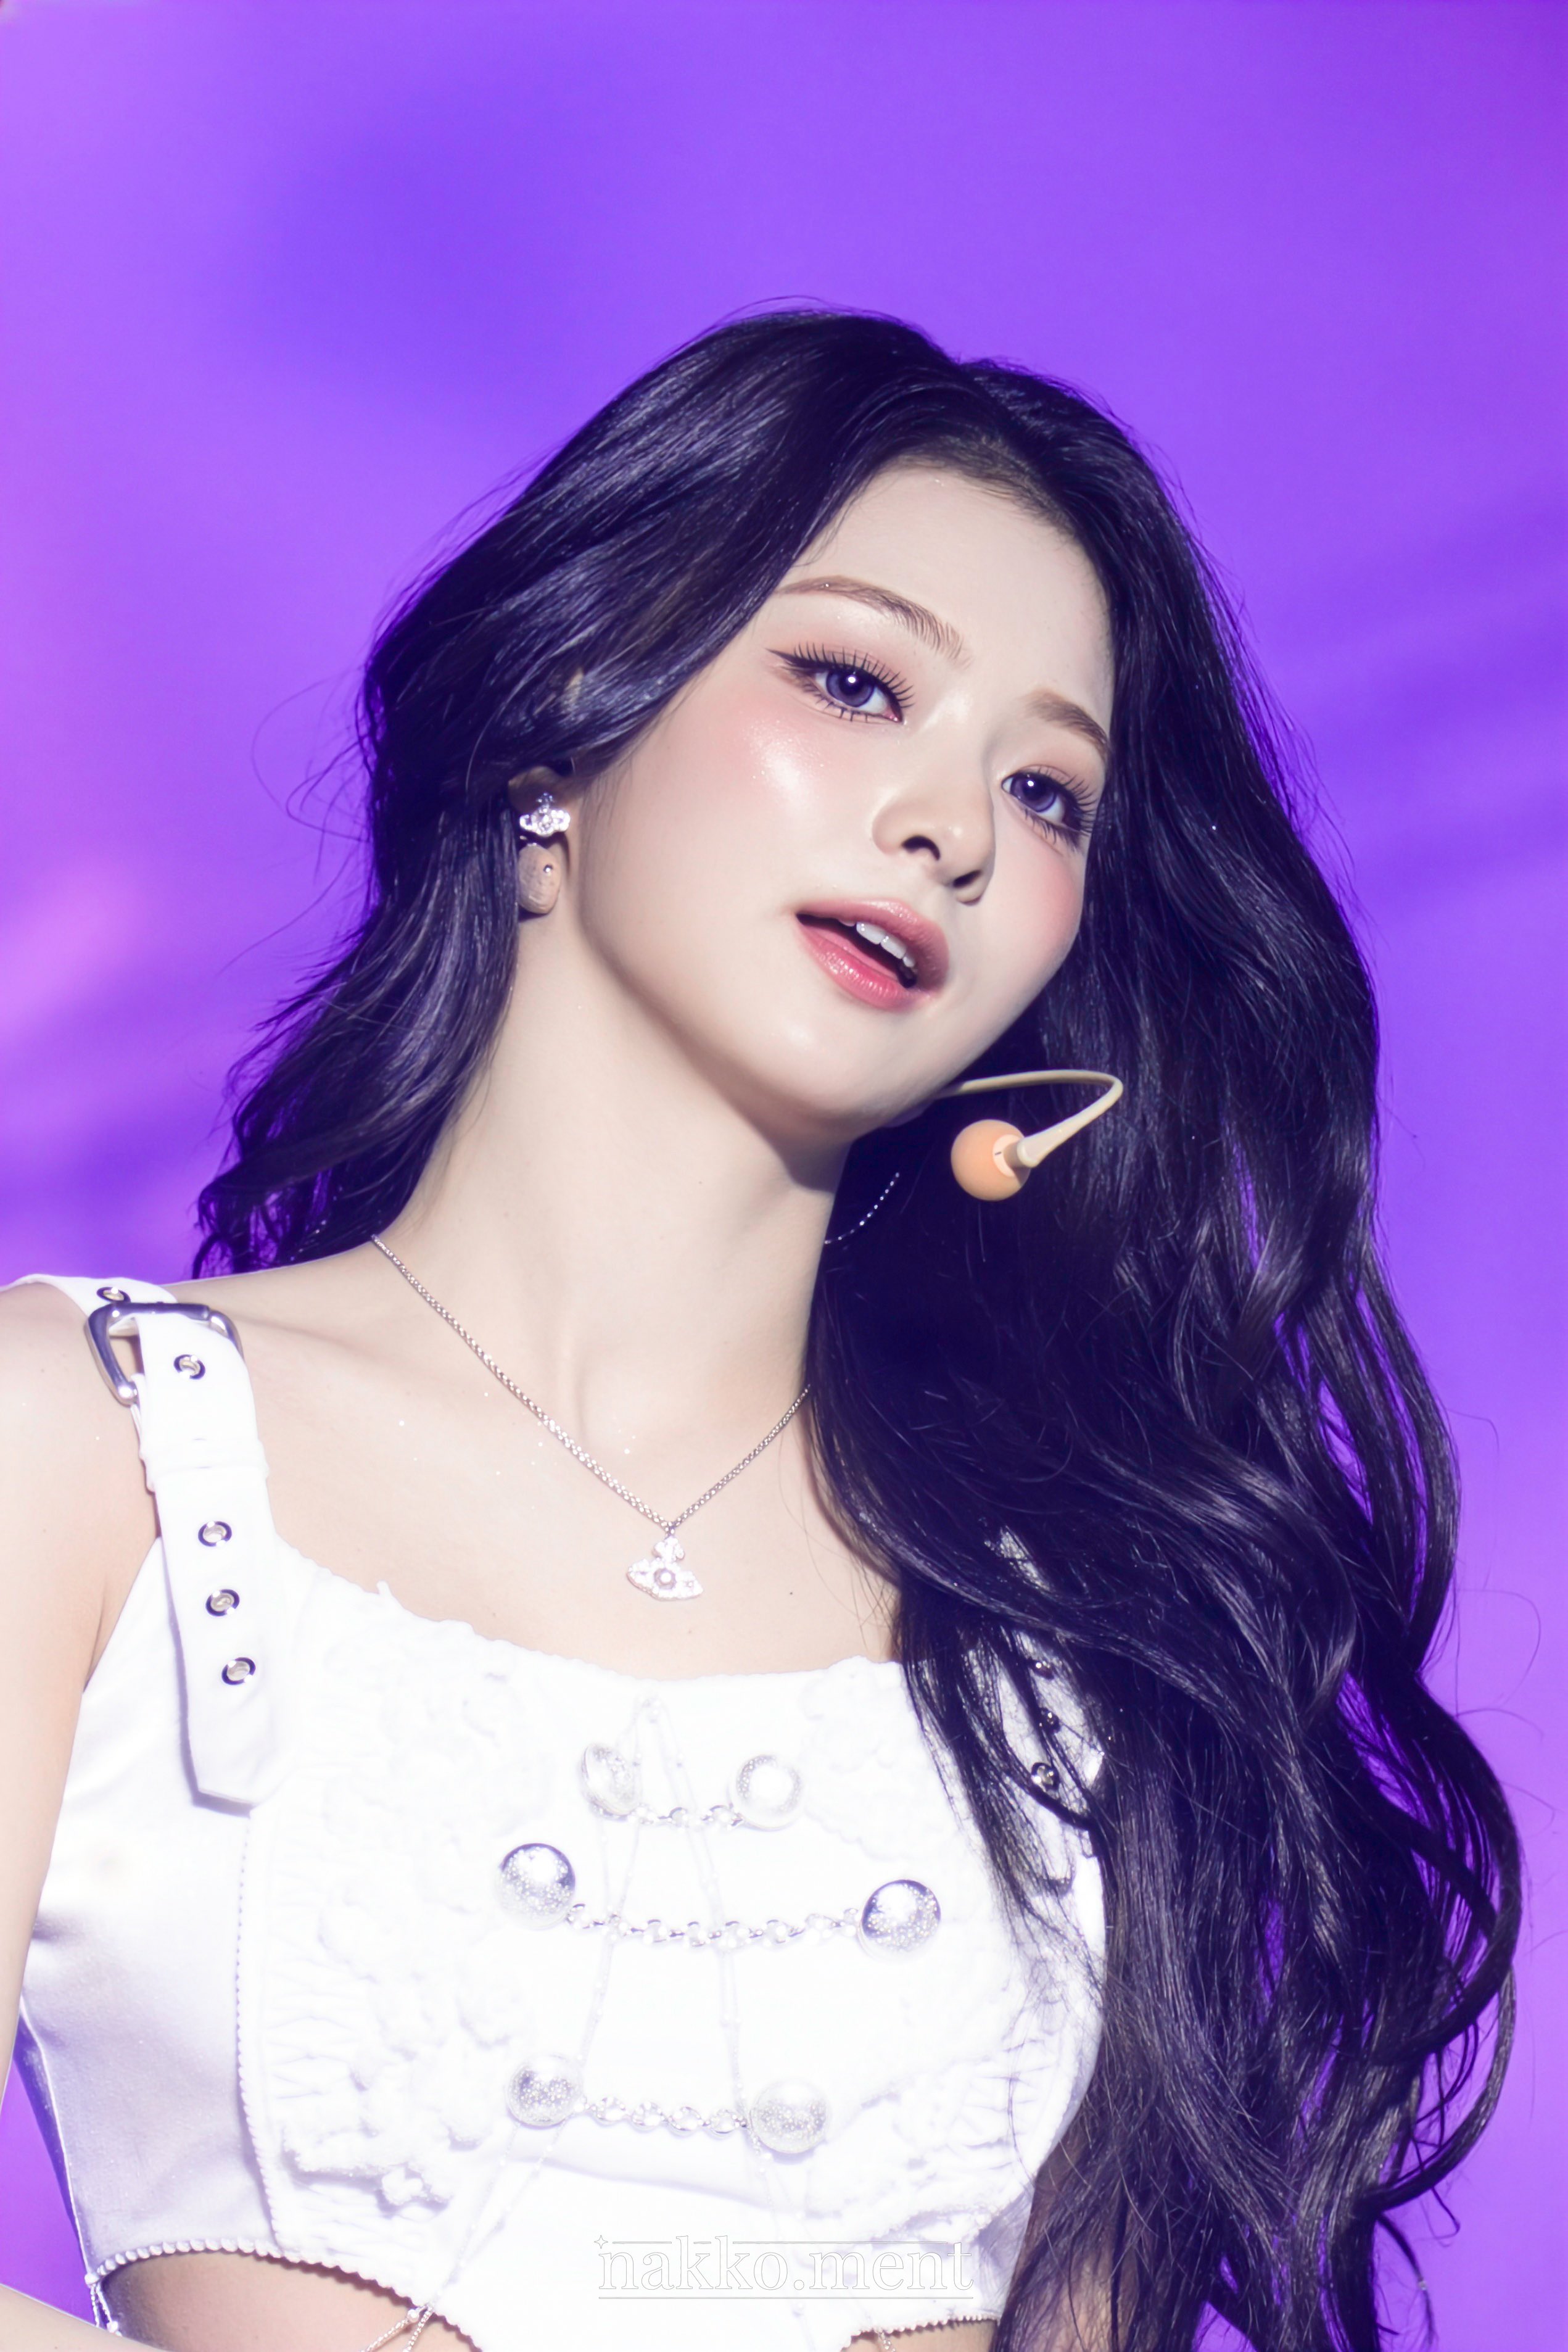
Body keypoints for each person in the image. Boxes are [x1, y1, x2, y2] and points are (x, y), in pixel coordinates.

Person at [0, 312, 1517, 2352]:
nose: (953, 824)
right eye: (854, 680)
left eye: (1048, 791)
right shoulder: (97, 1443)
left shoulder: (1078, 1634)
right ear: (562, 716)